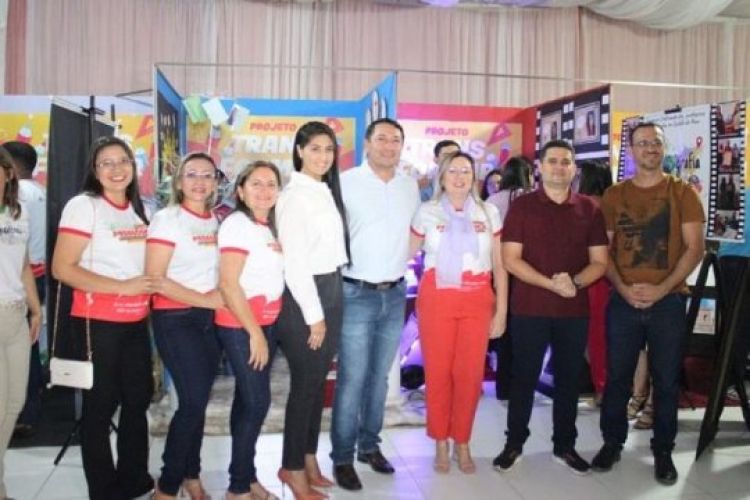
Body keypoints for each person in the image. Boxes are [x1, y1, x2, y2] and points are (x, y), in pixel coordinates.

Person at [591, 122, 705, 486]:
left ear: (663, 147)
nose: (650, 148)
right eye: (642, 143)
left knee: (666, 380)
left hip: (668, 301)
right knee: (617, 378)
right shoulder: (614, 196)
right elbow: (603, 253)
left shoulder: (682, 192)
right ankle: (612, 442)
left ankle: (663, 450)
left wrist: (662, 289)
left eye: (656, 142)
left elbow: (695, 248)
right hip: (623, 301)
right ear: (631, 150)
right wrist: (624, 289)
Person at [493, 140, 608, 475]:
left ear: (574, 169)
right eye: (553, 161)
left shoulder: (589, 209)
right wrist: (552, 284)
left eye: (566, 162)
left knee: (569, 381)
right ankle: (514, 443)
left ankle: (565, 445)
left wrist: (575, 283)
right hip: (530, 308)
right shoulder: (523, 207)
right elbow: (510, 259)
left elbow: (600, 262)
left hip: (573, 311)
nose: (559, 167)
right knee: (523, 378)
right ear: (539, 167)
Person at [52, 136, 157, 500]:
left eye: (123, 161)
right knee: (99, 408)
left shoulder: (137, 210)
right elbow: (62, 268)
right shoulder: (84, 206)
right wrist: (122, 287)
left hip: (136, 323)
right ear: (94, 171)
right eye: (106, 163)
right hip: (97, 323)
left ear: (133, 166)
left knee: (137, 401)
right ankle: (104, 489)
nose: (116, 169)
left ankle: (134, 478)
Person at [330, 118, 420, 491]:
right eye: (381, 138)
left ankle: (369, 445)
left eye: (395, 140)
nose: (388, 146)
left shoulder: (409, 186)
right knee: (352, 378)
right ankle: (342, 457)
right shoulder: (345, 182)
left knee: (380, 378)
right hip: (355, 291)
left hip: (395, 292)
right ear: (367, 143)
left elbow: (416, 232)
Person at [411, 151, 508, 474]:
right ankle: (440, 440)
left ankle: (462, 441)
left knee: (469, 375)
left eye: (465, 171)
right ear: (441, 176)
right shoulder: (426, 212)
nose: (459, 177)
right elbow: (404, 252)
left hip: (477, 298)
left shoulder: (489, 212)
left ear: (474, 176)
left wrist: (501, 311)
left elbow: (499, 265)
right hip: (437, 296)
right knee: (438, 372)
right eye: (452, 171)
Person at [275, 121, 349, 500]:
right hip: (307, 295)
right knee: (305, 387)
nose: (323, 156)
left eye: (329, 149)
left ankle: (307, 459)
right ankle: (291, 468)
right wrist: (314, 315)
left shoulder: (322, 190)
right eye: (315, 148)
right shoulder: (293, 197)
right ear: (300, 150)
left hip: (331, 287)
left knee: (318, 384)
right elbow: (295, 264)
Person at [147, 152, 223, 500]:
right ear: (179, 182)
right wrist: (206, 300)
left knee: (198, 400)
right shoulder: (167, 220)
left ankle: (192, 475)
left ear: (216, 182)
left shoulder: (215, 221)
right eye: (192, 174)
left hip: (209, 321)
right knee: (192, 402)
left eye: (207, 175)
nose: (199, 182)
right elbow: (155, 279)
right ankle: (167, 485)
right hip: (175, 318)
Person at [215, 161, 285, 500]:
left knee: (247, 401)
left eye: (271, 184)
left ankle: (245, 477)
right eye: (256, 183)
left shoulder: (267, 227)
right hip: (242, 325)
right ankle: (238, 488)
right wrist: (255, 334)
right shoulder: (237, 225)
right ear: (241, 191)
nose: (264, 190)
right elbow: (229, 284)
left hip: (265, 322)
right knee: (258, 401)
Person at [0, 145, 42, 500]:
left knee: (15, 404)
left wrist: (36, 308)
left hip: (16, 315)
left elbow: (24, 264)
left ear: (8, 172)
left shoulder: (18, 211)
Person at [485, 155, 533, 400]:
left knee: (502, 329)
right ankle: (521, 386)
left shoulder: (493, 200)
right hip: (526, 271)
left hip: (497, 269)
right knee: (525, 330)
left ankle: (503, 386)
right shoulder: (532, 199)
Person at [577, 160, 613, 405]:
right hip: (603, 279)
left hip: (591, 279)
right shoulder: (610, 204)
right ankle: (603, 386)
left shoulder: (588, 206)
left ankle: (602, 387)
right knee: (599, 336)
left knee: (595, 337)